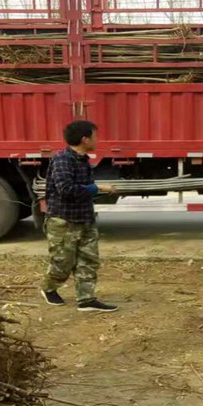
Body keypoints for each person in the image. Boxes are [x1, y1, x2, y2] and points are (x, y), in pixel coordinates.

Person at [40, 120, 119, 312]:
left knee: (89, 260)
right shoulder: (62, 160)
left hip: (85, 218)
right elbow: (66, 190)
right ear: (85, 139)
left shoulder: (83, 160)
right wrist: (97, 187)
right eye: (95, 136)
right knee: (63, 263)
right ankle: (48, 288)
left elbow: (81, 190)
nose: (97, 140)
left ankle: (86, 299)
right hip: (64, 220)